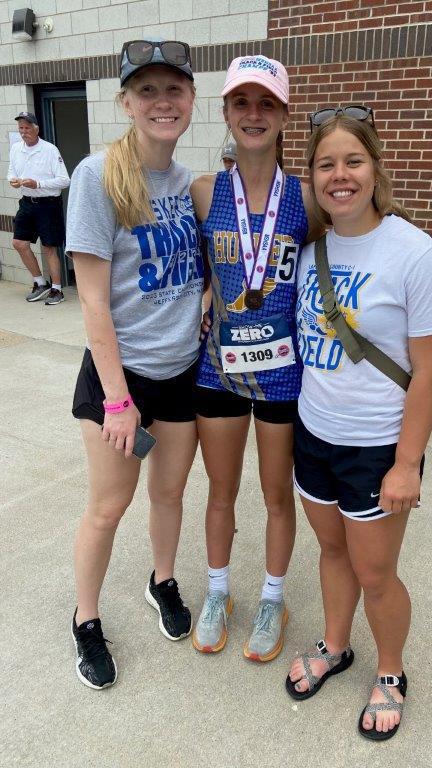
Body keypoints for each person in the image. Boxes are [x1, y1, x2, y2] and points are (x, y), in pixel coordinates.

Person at [285, 107, 432, 740]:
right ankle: (335, 646)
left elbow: (429, 374)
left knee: (376, 573)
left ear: (375, 168)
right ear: (312, 176)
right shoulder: (312, 251)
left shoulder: (415, 253)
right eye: (326, 164)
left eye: (353, 161)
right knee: (332, 551)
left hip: (378, 447)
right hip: (314, 434)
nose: (340, 175)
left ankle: (390, 671)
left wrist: (407, 463)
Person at [66, 39, 204, 690]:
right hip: (121, 379)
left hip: (182, 372)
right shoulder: (98, 176)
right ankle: (86, 619)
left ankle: (162, 580)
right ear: (125, 102)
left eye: (174, 89)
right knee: (107, 506)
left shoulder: (186, 181)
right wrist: (119, 401)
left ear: (191, 100)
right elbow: (93, 300)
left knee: (169, 493)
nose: (162, 102)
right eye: (147, 90)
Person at [191, 55, 324, 662]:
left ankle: (273, 598)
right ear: (225, 112)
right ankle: (218, 592)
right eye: (242, 102)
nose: (253, 114)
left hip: (282, 372)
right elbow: (199, 273)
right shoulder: (203, 192)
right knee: (220, 491)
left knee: (276, 494)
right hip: (218, 368)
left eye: (266, 103)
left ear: (284, 115)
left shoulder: (307, 198)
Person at [7, 111, 70, 305]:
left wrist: (38, 184)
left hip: (48, 204)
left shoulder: (50, 150)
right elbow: (11, 172)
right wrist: (13, 181)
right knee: (19, 243)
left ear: (36, 129)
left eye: (27, 128)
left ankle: (57, 289)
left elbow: (64, 180)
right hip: (27, 202)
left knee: (49, 247)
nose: (23, 132)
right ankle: (40, 282)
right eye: (21, 128)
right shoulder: (16, 148)